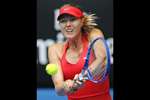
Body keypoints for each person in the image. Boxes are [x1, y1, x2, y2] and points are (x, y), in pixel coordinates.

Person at [48, 4, 112, 100]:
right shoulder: (54, 49)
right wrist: (66, 86)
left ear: (82, 21)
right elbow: (58, 90)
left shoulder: (94, 34)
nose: (68, 25)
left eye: (73, 20)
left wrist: (83, 77)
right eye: (63, 21)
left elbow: (103, 61)